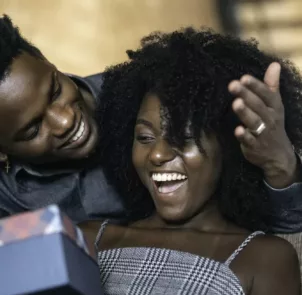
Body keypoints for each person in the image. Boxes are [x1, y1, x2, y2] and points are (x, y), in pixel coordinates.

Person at [0, 15, 301, 233]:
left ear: (45, 59)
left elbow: (277, 227)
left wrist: (280, 166)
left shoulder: (153, 94)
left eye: (55, 91)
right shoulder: (10, 197)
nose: (64, 121)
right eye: (33, 129)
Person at [79, 28, 301, 295]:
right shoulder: (87, 240)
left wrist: (282, 165)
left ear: (228, 147)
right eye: (145, 137)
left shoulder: (265, 259)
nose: (157, 155)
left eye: (182, 138)